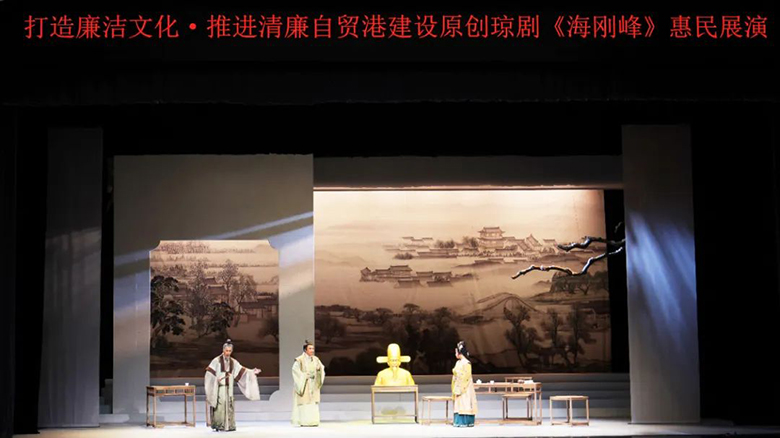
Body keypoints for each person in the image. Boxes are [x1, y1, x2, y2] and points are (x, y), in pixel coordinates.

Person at [204, 339, 261, 431]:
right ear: (223, 350)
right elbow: (209, 373)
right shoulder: (216, 361)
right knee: (220, 405)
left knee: (230, 404)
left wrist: (252, 372)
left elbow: (242, 370)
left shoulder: (233, 362)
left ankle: (229, 425)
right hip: (220, 387)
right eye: (226, 351)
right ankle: (219, 425)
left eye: (230, 351)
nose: (228, 353)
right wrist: (216, 379)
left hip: (229, 387)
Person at [291, 340, 326, 426]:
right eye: (310, 348)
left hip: (313, 383)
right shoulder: (299, 360)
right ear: (305, 350)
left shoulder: (316, 359)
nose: (312, 350)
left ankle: (313, 421)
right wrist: (304, 376)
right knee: (304, 402)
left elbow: (321, 368)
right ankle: (304, 421)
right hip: (304, 383)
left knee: (313, 403)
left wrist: (319, 370)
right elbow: (295, 371)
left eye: (313, 348)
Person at [452, 341, 477, 427]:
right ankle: (458, 421)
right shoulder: (458, 363)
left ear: (459, 352)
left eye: (456, 352)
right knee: (459, 404)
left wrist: (461, 386)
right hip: (458, 385)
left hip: (465, 386)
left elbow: (466, 376)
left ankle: (466, 421)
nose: (455, 354)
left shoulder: (467, 363)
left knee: (465, 402)